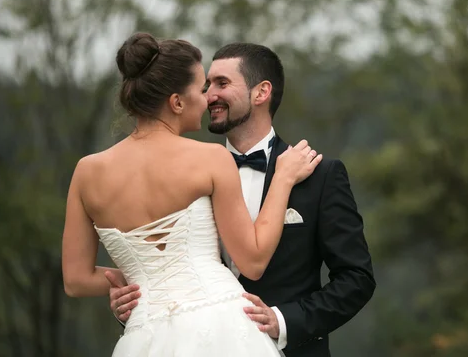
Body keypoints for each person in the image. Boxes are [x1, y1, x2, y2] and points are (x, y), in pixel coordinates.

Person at [61, 32, 323, 357]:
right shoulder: (209, 158)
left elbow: (75, 280)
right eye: (201, 89)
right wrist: (282, 179)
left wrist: (135, 280)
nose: (208, 99)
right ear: (177, 102)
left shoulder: (87, 171)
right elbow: (252, 261)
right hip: (222, 326)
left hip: (145, 335)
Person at [109, 42, 376, 356]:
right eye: (207, 85)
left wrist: (283, 321)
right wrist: (135, 308)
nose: (209, 96)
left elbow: (356, 279)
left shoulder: (321, 175)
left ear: (261, 92)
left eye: (222, 84)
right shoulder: (184, 177)